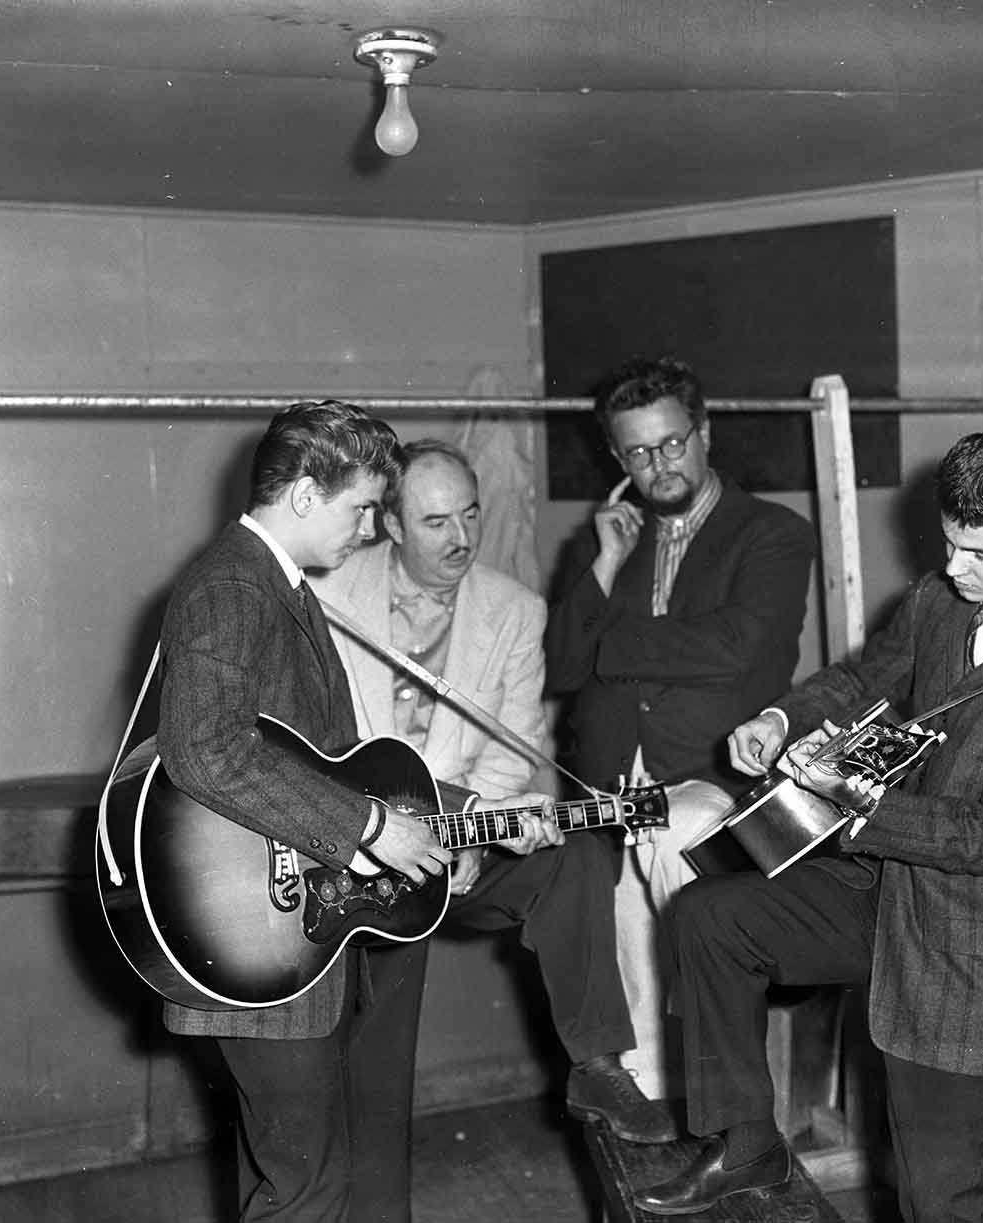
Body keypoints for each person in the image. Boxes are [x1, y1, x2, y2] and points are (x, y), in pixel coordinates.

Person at [635, 428, 983, 1221]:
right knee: (710, 915)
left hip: (965, 943)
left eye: (980, 554)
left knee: (940, 1195)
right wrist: (777, 716)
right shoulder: (941, 600)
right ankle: (748, 1145)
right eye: (948, 544)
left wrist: (858, 800)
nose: (952, 567)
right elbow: (863, 679)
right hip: (878, 892)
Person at [154, 402, 564, 1223]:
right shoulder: (238, 583)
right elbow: (203, 748)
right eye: (363, 508)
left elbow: (341, 768)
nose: (373, 528)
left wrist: (471, 811)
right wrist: (371, 831)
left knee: (294, 1175)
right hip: (257, 936)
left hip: (279, 937)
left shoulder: (282, 588)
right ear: (305, 495)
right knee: (311, 1189)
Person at [309, 438, 675, 1151]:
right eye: (437, 522)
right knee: (366, 1067)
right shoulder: (327, 593)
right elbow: (325, 745)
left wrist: (472, 837)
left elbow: (516, 747)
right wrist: (454, 820)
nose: (463, 538)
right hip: (349, 849)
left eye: (471, 515)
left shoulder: (515, 609)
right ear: (390, 524)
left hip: (467, 849)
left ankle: (598, 1064)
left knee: (575, 861)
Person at [545, 357, 817, 1101]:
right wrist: (603, 568)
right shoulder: (607, 539)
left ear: (703, 432)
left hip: (715, 776)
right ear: (615, 457)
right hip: (612, 781)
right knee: (625, 937)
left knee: (688, 908)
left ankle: (723, 1104)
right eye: (636, 452)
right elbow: (563, 666)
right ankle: (650, 1099)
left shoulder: (772, 534)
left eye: (670, 443)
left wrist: (616, 642)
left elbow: (736, 646)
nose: (657, 464)